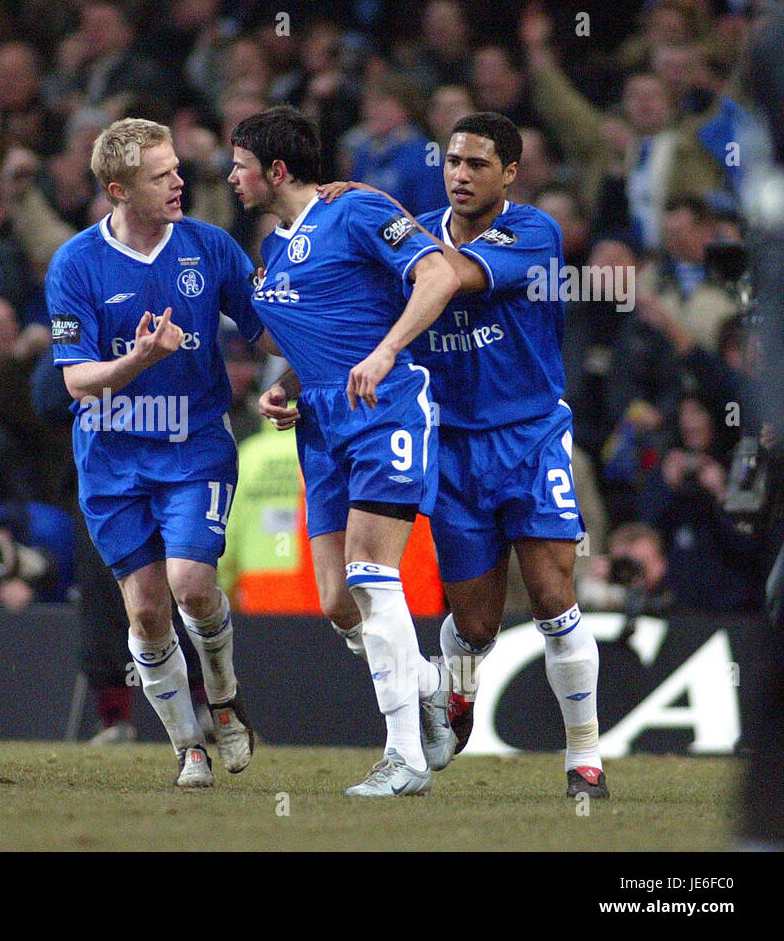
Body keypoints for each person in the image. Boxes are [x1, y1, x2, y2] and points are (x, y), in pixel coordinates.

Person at [323, 113, 608, 798]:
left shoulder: (532, 232)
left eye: (478, 164)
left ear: (509, 173)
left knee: (551, 596)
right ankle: (456, 693)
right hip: (449, 447)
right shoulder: (416, 233)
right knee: (475, 623)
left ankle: (584, 757)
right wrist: (293, 381)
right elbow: (358, 312)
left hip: (530, 436)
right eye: (452, 161)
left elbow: (445, 275)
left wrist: (373, 209)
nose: (460, 174)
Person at [230, 105, 460, 797]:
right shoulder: (274, 248)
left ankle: (405, 758)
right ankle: (432, 686)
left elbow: (440, 276)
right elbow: (328, 326)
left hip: (384, 405)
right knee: (337, 601)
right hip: (321, 422)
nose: (232, 180)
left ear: (276, 169)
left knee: (368, 571)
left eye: (240, 167)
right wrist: (288, 382)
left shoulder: (357, 208)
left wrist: (389, 352)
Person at [45, 117, 265, 787]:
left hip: (194, 445)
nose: (179, 181)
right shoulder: (76, 263)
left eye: (176, 168)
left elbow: (267, 328)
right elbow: (74, 380)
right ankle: (187, 745)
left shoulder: (212, 247)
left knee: (193, 586)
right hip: (112, 459)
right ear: (118, 189)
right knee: (144, 609)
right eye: (160, 174)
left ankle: (223, 696)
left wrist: (302, 377)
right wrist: (135, 360)